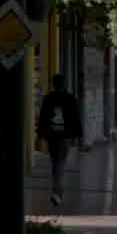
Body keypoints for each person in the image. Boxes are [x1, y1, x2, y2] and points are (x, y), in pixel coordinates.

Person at [37, 75, 82, 207]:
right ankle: (57, 191)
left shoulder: (48, 98)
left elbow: (43, 117)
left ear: (53, 84)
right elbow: (76, 117)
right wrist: (79, 136)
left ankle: (57, 189)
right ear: (64, 84)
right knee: (60, 161)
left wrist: (40, 135)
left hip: (52, 135)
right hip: (65, 135)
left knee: (55, 161)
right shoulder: (70, 98)